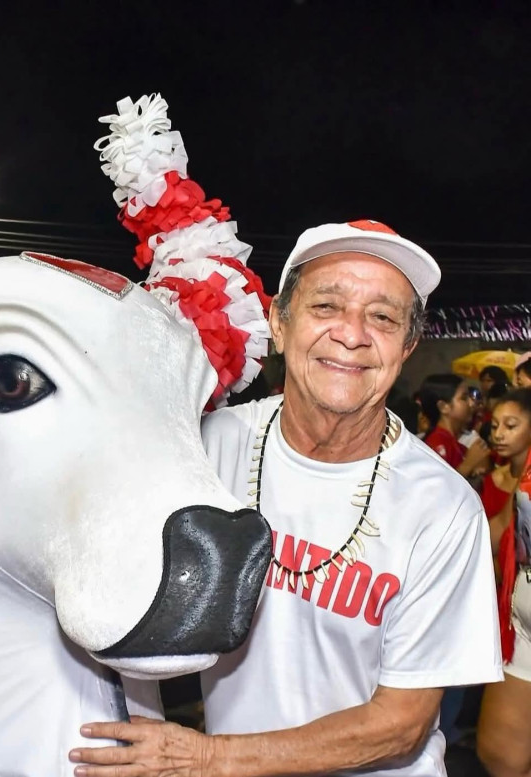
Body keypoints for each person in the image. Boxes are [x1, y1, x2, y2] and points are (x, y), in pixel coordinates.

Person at [71, 220, 502, 777]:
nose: (352, 335)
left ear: (407, 346)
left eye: (383, 317)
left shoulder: (442, 509)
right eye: (327, 306)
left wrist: (204, 756)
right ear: (278, 321)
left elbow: (403, 723)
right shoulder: (206, 447)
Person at [477, 388, 531, 777]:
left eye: (512, 425)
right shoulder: (525, 479)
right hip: (521, 623)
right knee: (500, 753)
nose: (500, 433)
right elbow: (495, 532)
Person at [419, 373, 491, 479]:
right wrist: (467, 465)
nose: (471, 403)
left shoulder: (454, 444)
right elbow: (437, 490)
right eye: (464, 398)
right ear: (444, 407)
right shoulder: (437, 445)